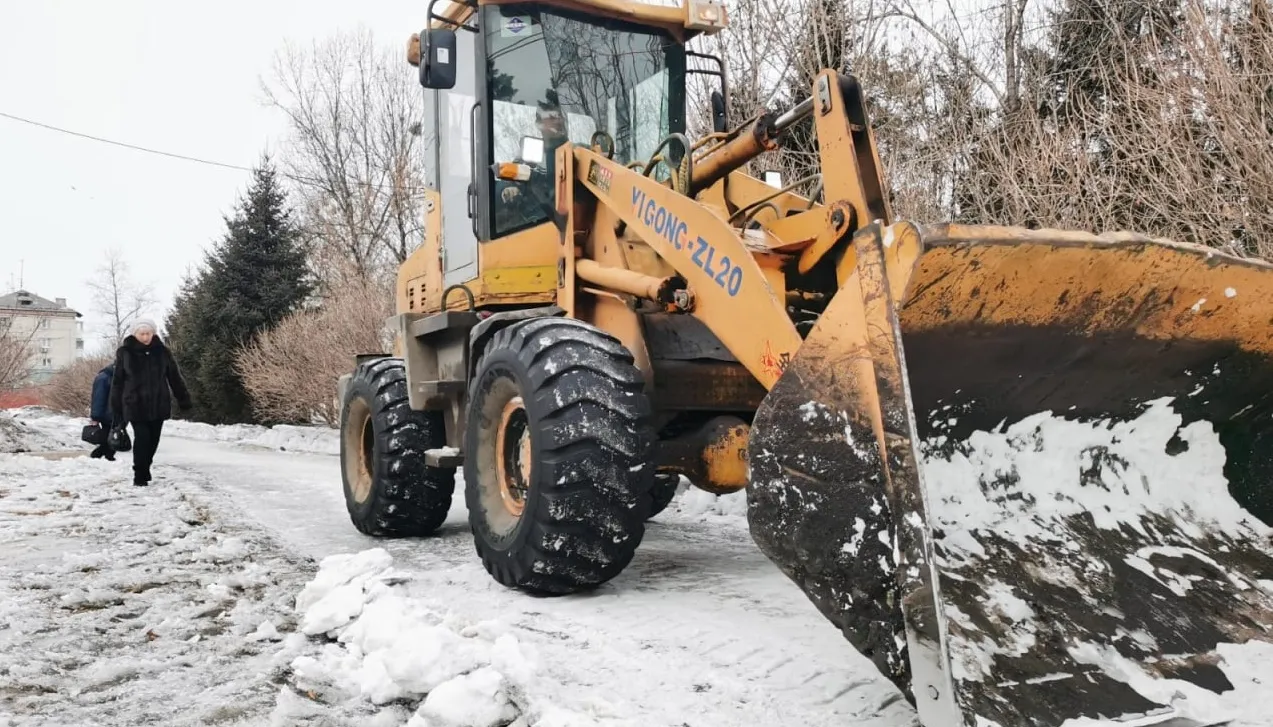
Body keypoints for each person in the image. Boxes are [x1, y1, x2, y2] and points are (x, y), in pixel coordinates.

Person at [109, 319, 192, 486]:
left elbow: (174, 377)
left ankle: (145, 466)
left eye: (148, 333)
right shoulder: (125, 352)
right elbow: (117, 381)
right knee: (142, 438)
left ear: (153, 333)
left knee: (154, 440)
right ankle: (139, 473)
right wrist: (116, 407)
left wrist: (183, 399)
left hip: (158, 403)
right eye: (142, 334)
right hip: (135, 404)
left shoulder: (162, 352)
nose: (145, 337)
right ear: (135, 334)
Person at [88, 362, 116, 461]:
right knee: (108, 437)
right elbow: (98, 398)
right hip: (107, 414)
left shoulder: (113, 377)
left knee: (111, 436)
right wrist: (95, 417)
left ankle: (106, 456)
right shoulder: (104, 378)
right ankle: (100, 455)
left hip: (114, 413)